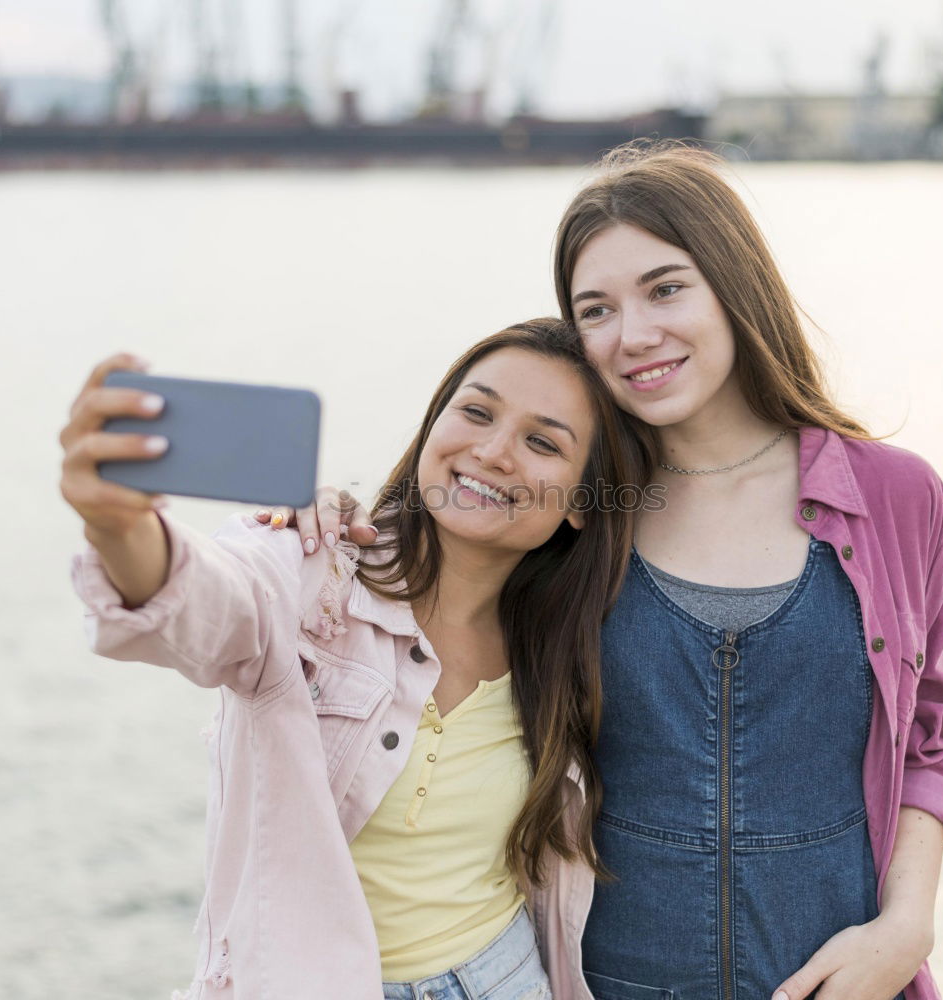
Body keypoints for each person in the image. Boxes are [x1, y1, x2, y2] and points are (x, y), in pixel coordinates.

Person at [276, 144, 943, 1000]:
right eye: (597, 310)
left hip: (848, 979)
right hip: (607, 980)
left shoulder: (893, 497)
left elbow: (935, 733)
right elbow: (441, 548)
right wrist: (327, 521)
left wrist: (904, 930)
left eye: (665, 288)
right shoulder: (575, 506)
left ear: (733, 284)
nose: (634, 335)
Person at [60, 319, 659, 1000]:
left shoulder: (566, 646)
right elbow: (211, 600)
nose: (494, 452)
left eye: (543, 442)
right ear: (433, 426)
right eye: (476, 411)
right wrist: (118, 525)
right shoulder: (314, 573)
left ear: (582, 503)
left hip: (507, 979)